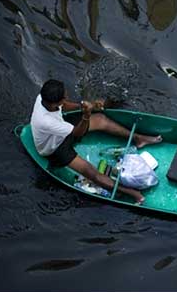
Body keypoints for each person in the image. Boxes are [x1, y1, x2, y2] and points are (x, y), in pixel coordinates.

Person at [30, 79, 162, 204]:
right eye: (64, 96)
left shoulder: (43, 98)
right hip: (54, 148)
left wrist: (84, 106)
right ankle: (131, 192)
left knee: (100, 119)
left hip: (62, 131)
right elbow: (78, 132)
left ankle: (138, 138)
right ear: (54, 103)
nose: (67, 97)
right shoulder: (46, 122)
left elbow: (63, 106)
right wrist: (86, 115)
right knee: (90, 171)